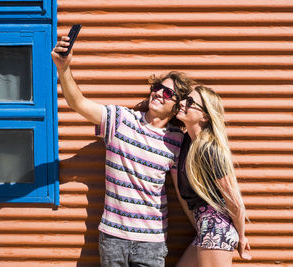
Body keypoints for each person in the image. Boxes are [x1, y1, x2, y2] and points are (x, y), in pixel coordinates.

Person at [51, 35, 195, 267]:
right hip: (113, 237)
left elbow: (181, 191)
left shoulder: (177, 140)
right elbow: (78, 103)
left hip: (152, 240)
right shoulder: (120, 120)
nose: (158, 93)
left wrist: (200, 229)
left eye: (168, 93)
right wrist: (64, 68)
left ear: (177, 105)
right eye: (158, 87)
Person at [174, 85, 252, 267]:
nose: (183, 103)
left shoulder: (209, 151)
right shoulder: (188, 142)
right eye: (185, 98)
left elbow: (234, 201)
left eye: (190, 102)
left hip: (216, 227)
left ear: (205, 116)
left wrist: (241, 237)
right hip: (205, 226)